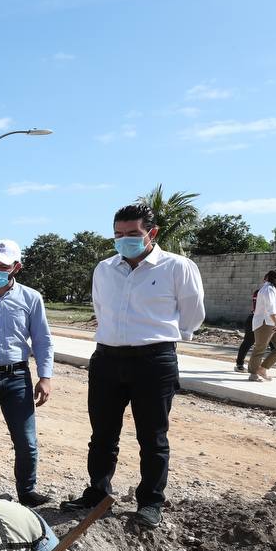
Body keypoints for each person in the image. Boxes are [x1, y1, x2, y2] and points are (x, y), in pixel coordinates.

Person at [62, 203, 205, 528]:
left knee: (153, 438)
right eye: (118, 235)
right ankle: (97, 493)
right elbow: (100, 307)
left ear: (151, 233)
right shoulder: (105, 269)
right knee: (102, 435)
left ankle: (150, 502)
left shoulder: (176, 267)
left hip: (153, 362)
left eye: (132, 234)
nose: (124, 240)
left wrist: (158, 337)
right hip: (107, 360)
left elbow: (193, 315)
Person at [0, 239, 54, 508]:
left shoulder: (30, 298)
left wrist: (45, 376)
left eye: (2, 266)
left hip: (17, 377)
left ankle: (27, 492)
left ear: (16, 267)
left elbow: (42, 340)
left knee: (26, 440)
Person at [236, 277, 276, 376]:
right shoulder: (263, 291)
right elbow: (268, 308)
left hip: (268, 321)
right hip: (257, 320)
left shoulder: (274, 291)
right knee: (249, 342)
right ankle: (240, 364)